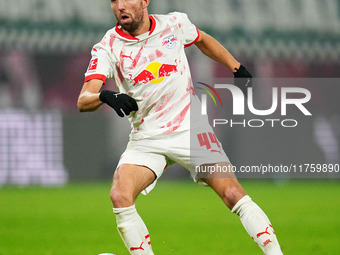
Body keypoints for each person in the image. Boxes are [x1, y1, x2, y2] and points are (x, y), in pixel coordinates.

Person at [77, 0, 283, 254]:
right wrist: (105, 96)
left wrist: (235, 67)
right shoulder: (108, 46)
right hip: (146, 138)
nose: (120, 6)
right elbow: (83, 100)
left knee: (232, 193)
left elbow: (202, 39)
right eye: (114, 0)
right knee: (120, 196)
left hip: (190, 130)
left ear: (144, 1)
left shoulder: (173, 24)